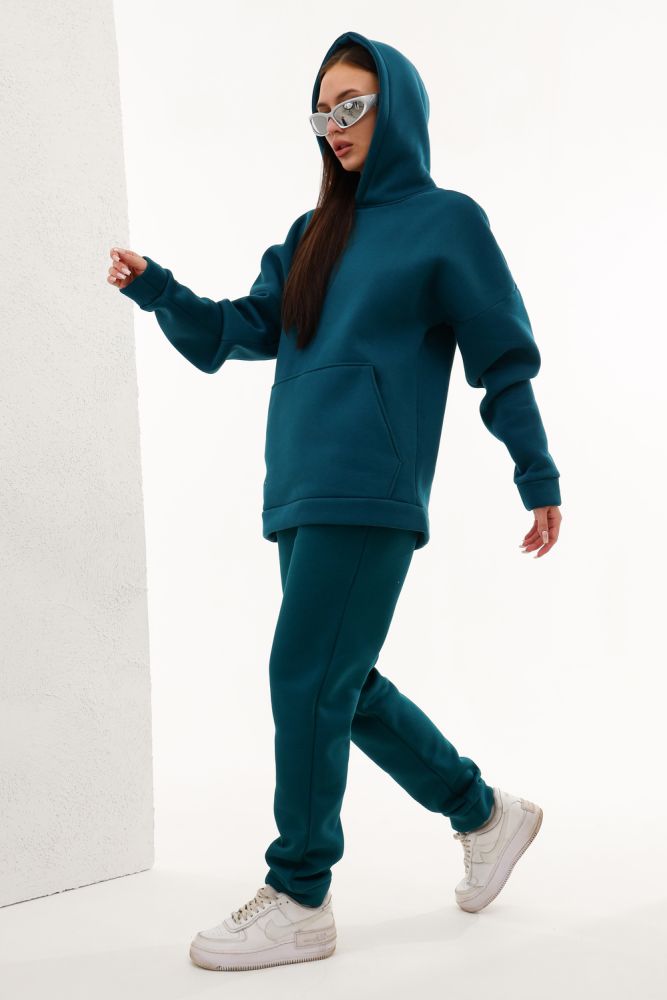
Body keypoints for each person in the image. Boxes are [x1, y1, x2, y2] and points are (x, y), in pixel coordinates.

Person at [109, 29, 562, 973]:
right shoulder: (311, 234)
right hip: (300, 487)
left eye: (352, 105)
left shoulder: (446, 222)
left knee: (305, 676)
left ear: (397, 106)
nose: (335, 126)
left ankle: (300, 893)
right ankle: (483, 814)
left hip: (371, 486)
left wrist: (536, 474)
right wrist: (159, 291)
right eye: (322, 113)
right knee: (338, 683)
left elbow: (500, 357)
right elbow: (238, 331)